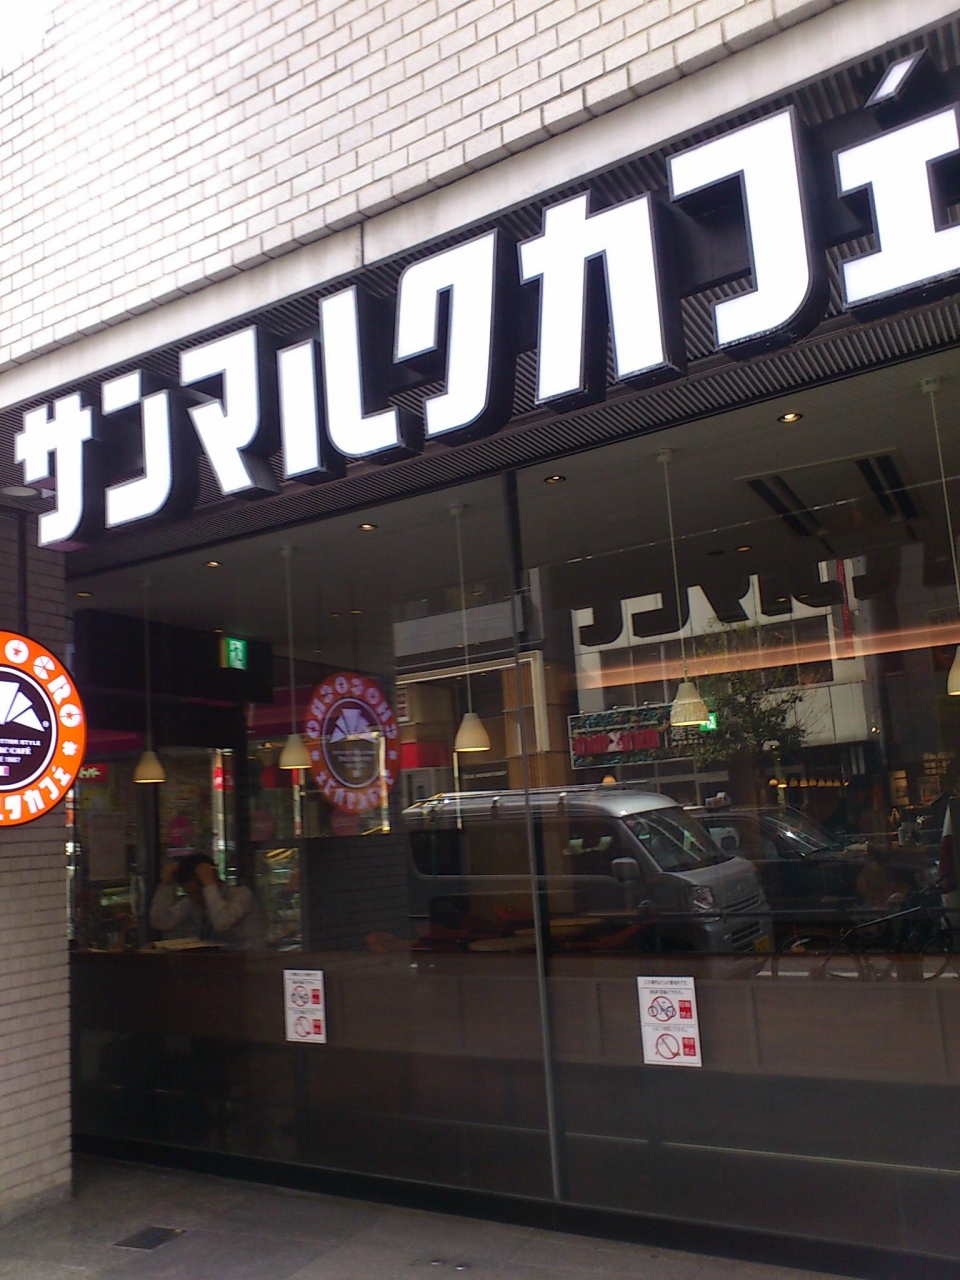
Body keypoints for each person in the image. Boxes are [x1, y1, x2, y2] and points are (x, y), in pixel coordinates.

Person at [149, 854, 264, 950]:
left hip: (248, 961)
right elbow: (161, 922)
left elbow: (222, 922)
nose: (195, 898)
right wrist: (165, 884)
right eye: (189, 893)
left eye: (198, 892)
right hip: (211, 962)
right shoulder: (192, 902)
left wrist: (209, 884)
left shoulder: (241, 895)